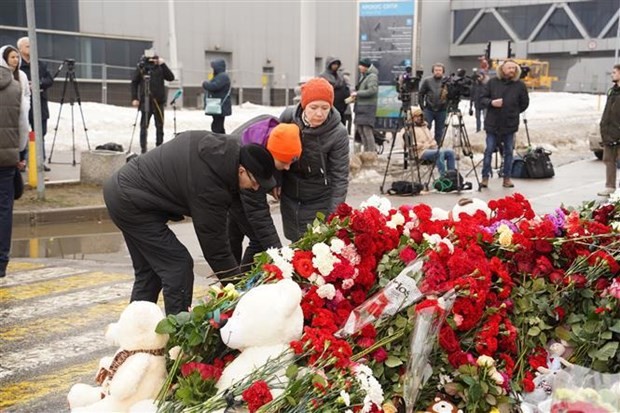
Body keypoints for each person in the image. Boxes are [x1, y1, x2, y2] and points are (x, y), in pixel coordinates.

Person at [103, 132, 277, 315]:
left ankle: (134, 332)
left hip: (125, 192)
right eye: (255, 182)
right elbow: (215, 247)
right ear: (241, 171)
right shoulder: (209, 184)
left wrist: (273, 251)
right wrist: (238, 292)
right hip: (131, 202)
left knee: (150, 272)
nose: (256, 188)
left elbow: (239, 212)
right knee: (178, 265)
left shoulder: (224, 157)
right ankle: (177, 332)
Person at [279, 77, 350, 242]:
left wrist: (333, 216)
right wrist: (275, 182)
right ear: (304, 106)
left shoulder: (338, 133)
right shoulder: (288, 118)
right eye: (314, 107)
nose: (319, 113)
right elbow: (276, 151)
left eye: (325, 108)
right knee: (294, 245)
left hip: (320, 196)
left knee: (316, 247)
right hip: (291, 194)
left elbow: (340, 177)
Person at [228, 118, 303, 267]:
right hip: (231, 184)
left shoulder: (278, 134)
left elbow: (280, 155)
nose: (288, 168)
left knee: (235, 233)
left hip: (240, 176)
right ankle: (238, 284)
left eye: (291, 163)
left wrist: (278, 179)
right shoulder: (251, 166)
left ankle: (231, 282)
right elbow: (260, 218)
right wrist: (280, 258)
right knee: (258, 241)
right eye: (283, 163)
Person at [480, 59, 529, 189]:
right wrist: (491, 103)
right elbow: (482, 99)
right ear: (502, 69)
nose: (512, 70)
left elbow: (524, 103)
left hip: (510, 124)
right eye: (509, 68)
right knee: (489, 150)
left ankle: (507, 178)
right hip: (492, 123)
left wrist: (513, 111)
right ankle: (485, 177)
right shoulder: (492, 82)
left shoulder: (520, 85)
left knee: (508, 151)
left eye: (514, 68)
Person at [0, 45, 26, 277]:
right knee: (4, 209)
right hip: (7, 159)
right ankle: (1, 263)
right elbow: (22, 125)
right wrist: (20, 153)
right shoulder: (16, 87)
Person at [17, 37, 54, 171]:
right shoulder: (17, 65)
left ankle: (40, 161)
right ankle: (22, 161)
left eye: (32, 46)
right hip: (23, 104)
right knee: (22, 133)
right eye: (27, 46)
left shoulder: (40, 64)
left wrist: (38, 83)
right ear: (20, 48)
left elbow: (50, 80)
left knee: (40, 133)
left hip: (40, 104)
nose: (30, 48)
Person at [130, 52, 175, 154]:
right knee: (144, 126)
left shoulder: (160, 67)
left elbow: (171, 77)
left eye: (155, 59)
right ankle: (143, 149)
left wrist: (163, 64)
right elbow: (134, 82)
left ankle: (159, 148)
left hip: (158, 101)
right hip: (145, 101)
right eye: (151, 59)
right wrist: (134, 98)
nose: (153, 61)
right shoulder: (142, 67)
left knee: (159, 125)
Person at [411, 108, 456, 175]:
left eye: (420, 116)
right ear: (411, 118)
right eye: (416, 116)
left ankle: (451, 175)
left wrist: (431, 144)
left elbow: (432, 141)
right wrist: (426, 145)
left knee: (450, 152)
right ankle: (443, 176)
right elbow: (411, 145)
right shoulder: (409, 129)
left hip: (432, 149)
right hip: (420, 152)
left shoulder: (424, 127)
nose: (419, 118)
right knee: (439, 153)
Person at [598, 64, 620, 196]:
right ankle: (610, 186)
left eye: (615, 72)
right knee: (608, 159)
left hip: (619, 131)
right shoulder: (612, 91)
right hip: (609, 132)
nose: (612, 74)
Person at [352, 58, 379, 157]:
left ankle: (371, 154)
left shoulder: (372, 76)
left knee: (367, 131)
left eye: (361, 65)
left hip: (367, 107)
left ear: (365, 66)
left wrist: (357, 93)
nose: (359, 67)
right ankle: (366, 153)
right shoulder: (363, 76)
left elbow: (372, 90)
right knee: (361, 131)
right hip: (361, 107)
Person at [418, 63, 448, 145]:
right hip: (429, 109)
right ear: (433, 71)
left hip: (442, 110)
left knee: (439, 131)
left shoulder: (447, 81)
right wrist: (422, 107)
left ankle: (438, 147)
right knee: (426, 129)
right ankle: (426, 146)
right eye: (436, 70)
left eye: (440, 70)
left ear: (443, 71)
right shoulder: (427, 81)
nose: (438, 72)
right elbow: (421, 93)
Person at [202, 59, 232, 134]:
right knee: (218, 125)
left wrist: (205, 84)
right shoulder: (220, 76)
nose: (212, 70)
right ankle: (222, 140)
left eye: (214, 68)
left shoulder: (222, 76)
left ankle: (220, 141)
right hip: (218, 105)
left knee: (217, 126)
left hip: (220, 105)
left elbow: (214, 86)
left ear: (217, 68)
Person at [319, 57, 350, 126]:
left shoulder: (340, 76)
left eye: (337, 64)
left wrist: (347, 101)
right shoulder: (323, 76)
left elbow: (346, 90)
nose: (335, 66)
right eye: (333, 64)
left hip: (342, 106)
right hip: (330, 106)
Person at [469, 68, 489, 133]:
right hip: (477, 103)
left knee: (485, 117)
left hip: (484, 103)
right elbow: (472, 95)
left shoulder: (486, 85)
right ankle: (478, 129)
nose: (479, 77)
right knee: (477, 117)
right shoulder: (475, 85)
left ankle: (486, 128)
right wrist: (471, 105)